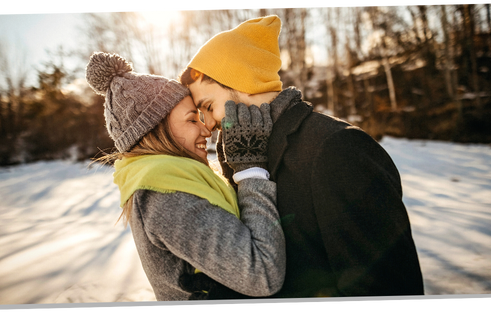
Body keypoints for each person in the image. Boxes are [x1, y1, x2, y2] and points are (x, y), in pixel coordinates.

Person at [178, 15, 424, 298]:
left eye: (208, 106)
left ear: (243, 81)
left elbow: (386, 288)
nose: (207, 125)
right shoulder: (242, 158)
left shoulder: (339, 148)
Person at [85, 52, 285, 301]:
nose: (205, 129)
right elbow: (262, 274)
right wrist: (251, 170)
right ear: (156, 130)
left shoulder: (175, 180)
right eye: (192, 119)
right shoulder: (165, 194)